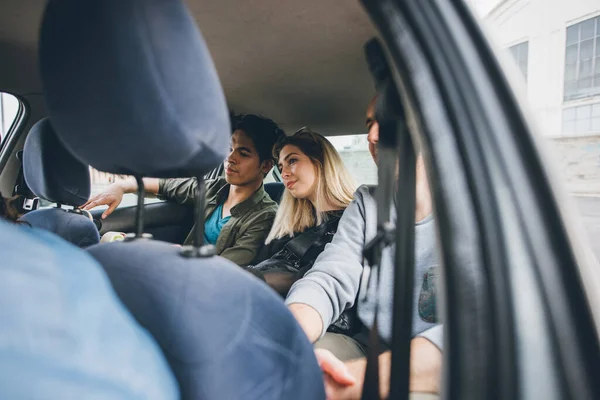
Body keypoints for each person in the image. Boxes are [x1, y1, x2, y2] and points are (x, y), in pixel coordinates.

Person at [285, 97, 451, 398]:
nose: (372, 136)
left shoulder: (476, 213)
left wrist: (352, 382)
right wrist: (285, 338)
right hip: (365, 345)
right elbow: (330, 277)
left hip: (432, 362)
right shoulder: (366, 203)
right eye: (369, 125)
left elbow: (476, 334)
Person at [82, 114, 285, 266]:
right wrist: (122, 186)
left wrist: (175, 255)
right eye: (230, 149)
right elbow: (166, 185)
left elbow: (226, 268)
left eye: (244, 153)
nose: (230, 158)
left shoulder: (265, 216)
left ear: (266, 166)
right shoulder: (215, 188)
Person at [247, 128, 357, 299]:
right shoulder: (289, 225)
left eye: (292, 160)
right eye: (281, 166)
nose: (284, 173)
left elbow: (324, 279)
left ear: (320, 162)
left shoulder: (353, 223)